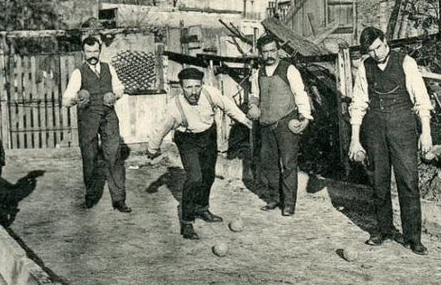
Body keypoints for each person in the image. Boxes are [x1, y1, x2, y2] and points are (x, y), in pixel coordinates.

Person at [348, 26, 432, 256]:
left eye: (379, 47)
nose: (376, 54)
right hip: (375, 130)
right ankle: (383, 230)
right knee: (379, 181)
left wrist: (426, 132)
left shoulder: (406, 63)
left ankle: (413, 237)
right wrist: (355, 140)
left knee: (408, 181)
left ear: (386, 41)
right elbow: (358, 103)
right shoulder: (365, 67)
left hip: (403, 128)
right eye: (371, 51)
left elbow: (421, 100)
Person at [146, 67, 252, 240]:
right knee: (195, 177)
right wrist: (152, 148)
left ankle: (202, 208)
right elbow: (161, 129)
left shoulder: (210, 93)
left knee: (208, 175)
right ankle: (187, 221)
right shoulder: (174, 107)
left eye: (197, 86)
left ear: (202, 84)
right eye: (189, 87)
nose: (194, 92)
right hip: (187, 139)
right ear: (181, 87)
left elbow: (228, 106)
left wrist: (245, 120)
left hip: (208, 135)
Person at [62, 36, 129, 212]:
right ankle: (91, 196)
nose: (92, 55)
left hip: (108, 116)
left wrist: (114, 95)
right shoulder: (78, 72)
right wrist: (78, 98)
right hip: (88, 118)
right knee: (90, 157)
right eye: (89, 51)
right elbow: (65, 100)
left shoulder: (109, 68)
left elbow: (120, 87)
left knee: (114, 155)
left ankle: (119, 200)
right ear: (83, 53)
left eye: (95, 51)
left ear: (100, 51)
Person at [247, 35, 312, 216]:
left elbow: (300, 94)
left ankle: (289, 204)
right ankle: (275, 198)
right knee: (269, 164)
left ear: (279, 50)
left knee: (288, 164)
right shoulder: (258, 73)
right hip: (266, 124)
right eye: (265, 51)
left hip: (286, 122)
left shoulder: (289, 69)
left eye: (272, 50)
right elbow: (255, 94)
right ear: (260, 53)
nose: (269, 55)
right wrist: (252, 105)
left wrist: (304, 117)